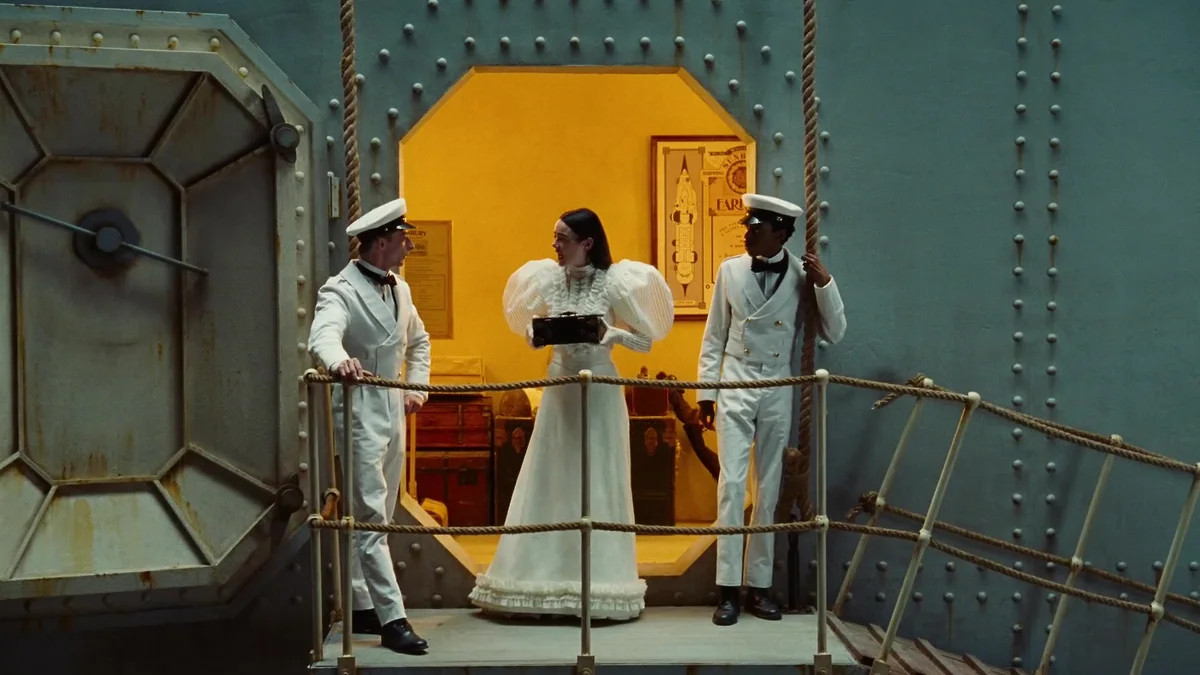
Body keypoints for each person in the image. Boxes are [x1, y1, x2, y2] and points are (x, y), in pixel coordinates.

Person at [468, 207, 674, 620]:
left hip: (598, 392)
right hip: (560, 390)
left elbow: (646, 342)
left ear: (587, 243)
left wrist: (610, 334)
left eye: (562, 239)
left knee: (597, 477)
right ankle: (538, 581)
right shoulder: (546, 279)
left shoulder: (615, 282)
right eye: (555, 238)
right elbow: (528, 330)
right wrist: (537, 333)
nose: (555, 246)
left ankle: (599, 585)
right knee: (551, 477)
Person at [696, 193, 847, 626]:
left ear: (780, 233)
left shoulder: (801, 276)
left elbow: (835, 332)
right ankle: (727, 590)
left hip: (778, 384)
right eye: (747, 227)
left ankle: (759, 588)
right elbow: (714, 336)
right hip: (736, 380)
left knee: (768, 489)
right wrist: (706, 393)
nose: (746, 234)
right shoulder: (730, 271)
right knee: (731, 485)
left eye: (756, 229)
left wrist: (825, 283)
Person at [307, 198, 432, 653]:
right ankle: (392, 619)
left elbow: (419, 341)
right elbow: (323, 334)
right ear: (381, 243)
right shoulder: (339, 290)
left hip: (393, 408)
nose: (409, 247)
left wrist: (416, 389)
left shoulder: (401, 289)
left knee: (382, 511)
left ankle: (361, 604)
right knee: (371, 516)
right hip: (359, 411)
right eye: (404, 239)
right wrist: (339, 361)